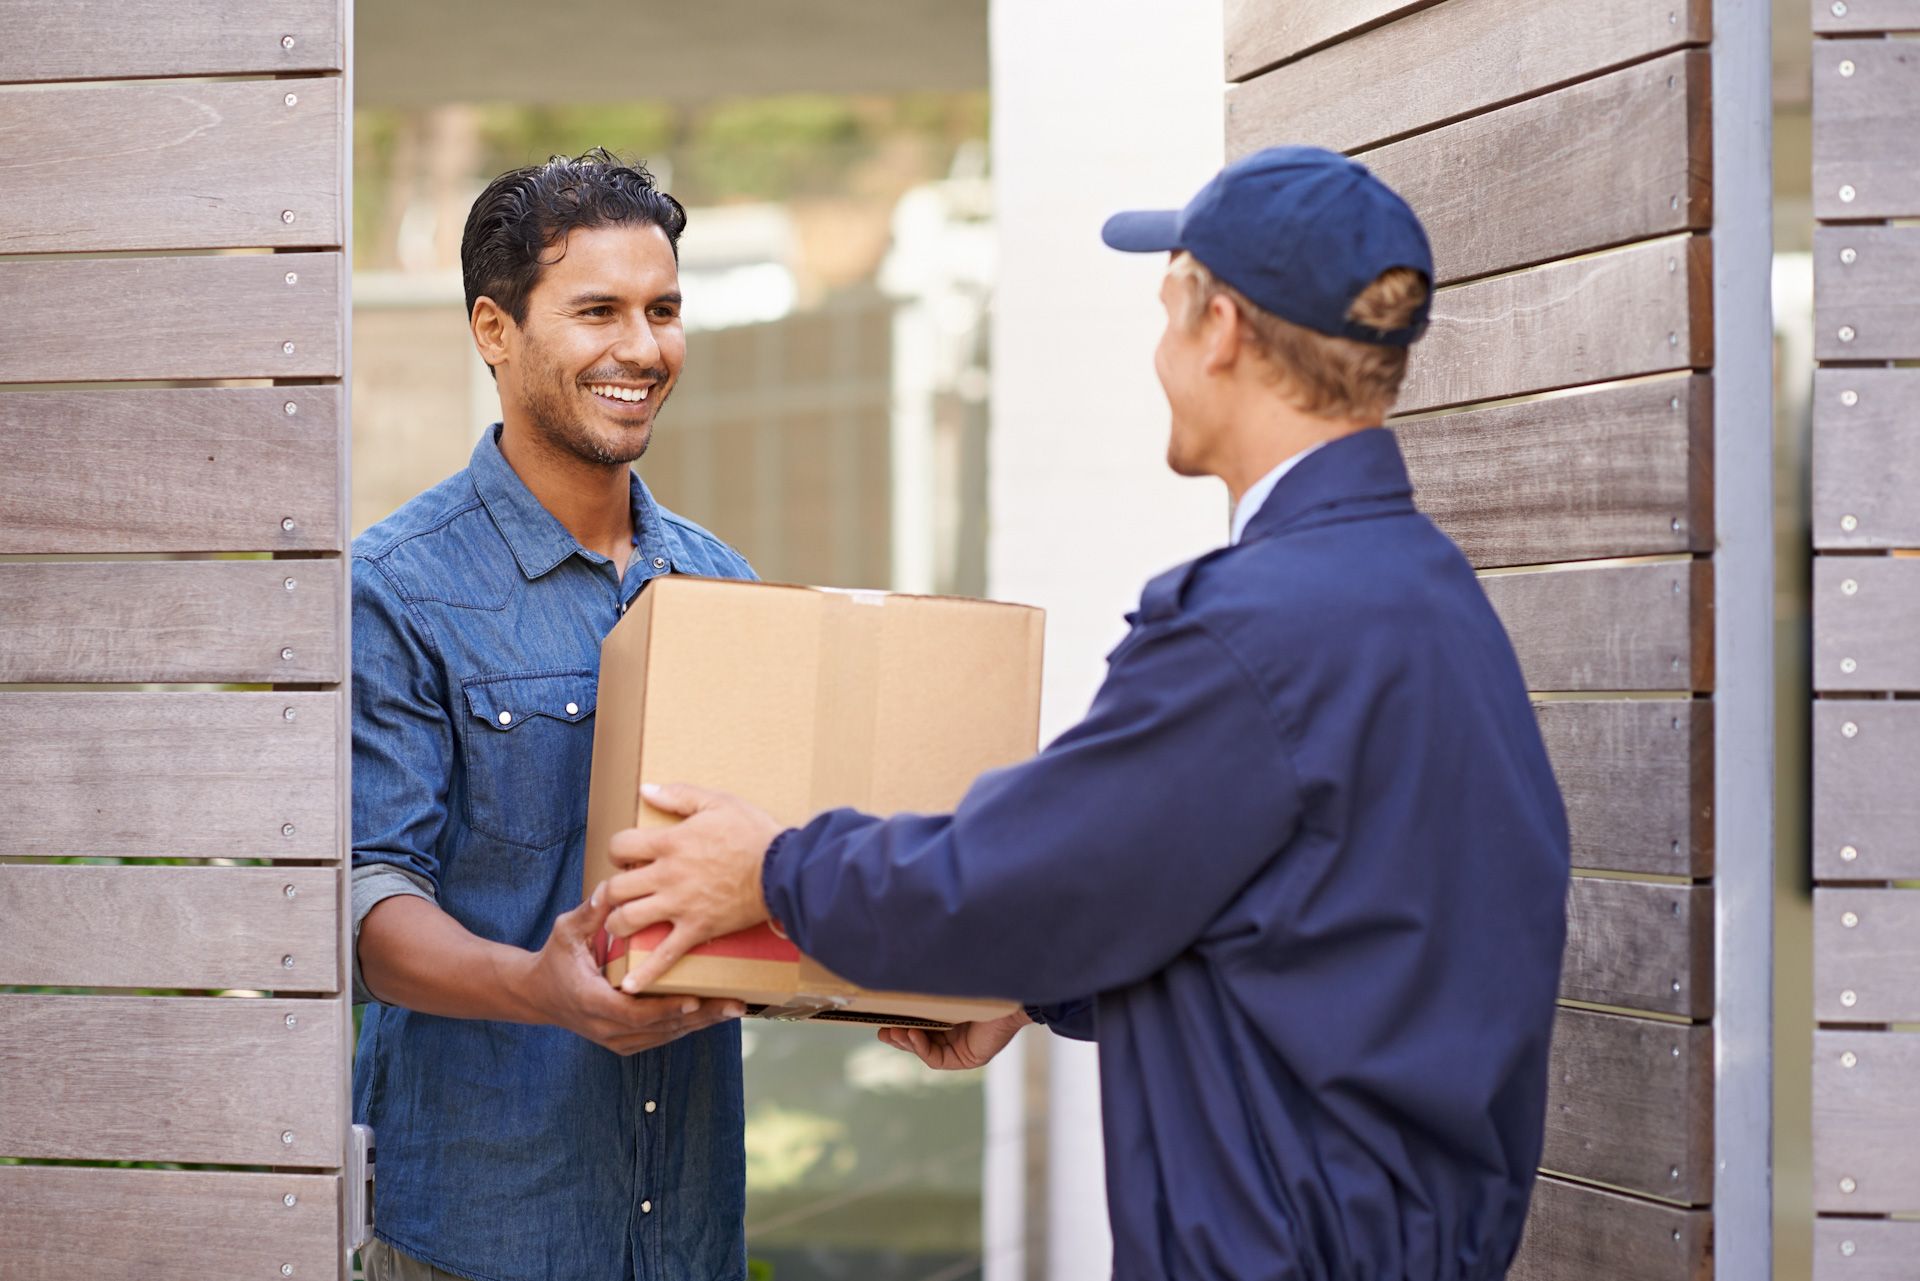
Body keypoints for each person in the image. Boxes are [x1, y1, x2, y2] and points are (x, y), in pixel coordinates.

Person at [599, 147, 1571, 1279]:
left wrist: (770, 871)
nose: (1160, 356)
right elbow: (1303, 936)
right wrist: (1031, 981)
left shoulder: (1256, 630)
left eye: (1168, 314)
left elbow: (1025, 873)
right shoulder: (1428, 600)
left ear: (1222, 331)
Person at [351, 150, 753, 1281]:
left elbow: (760, 865)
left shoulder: (722, 587)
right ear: (494, 329)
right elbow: (370, 906)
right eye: (597, 311)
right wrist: (541, 987)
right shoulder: (397, 588)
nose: (642, 348)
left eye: (663, 310)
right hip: (480, 1234)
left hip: (687, 1231)